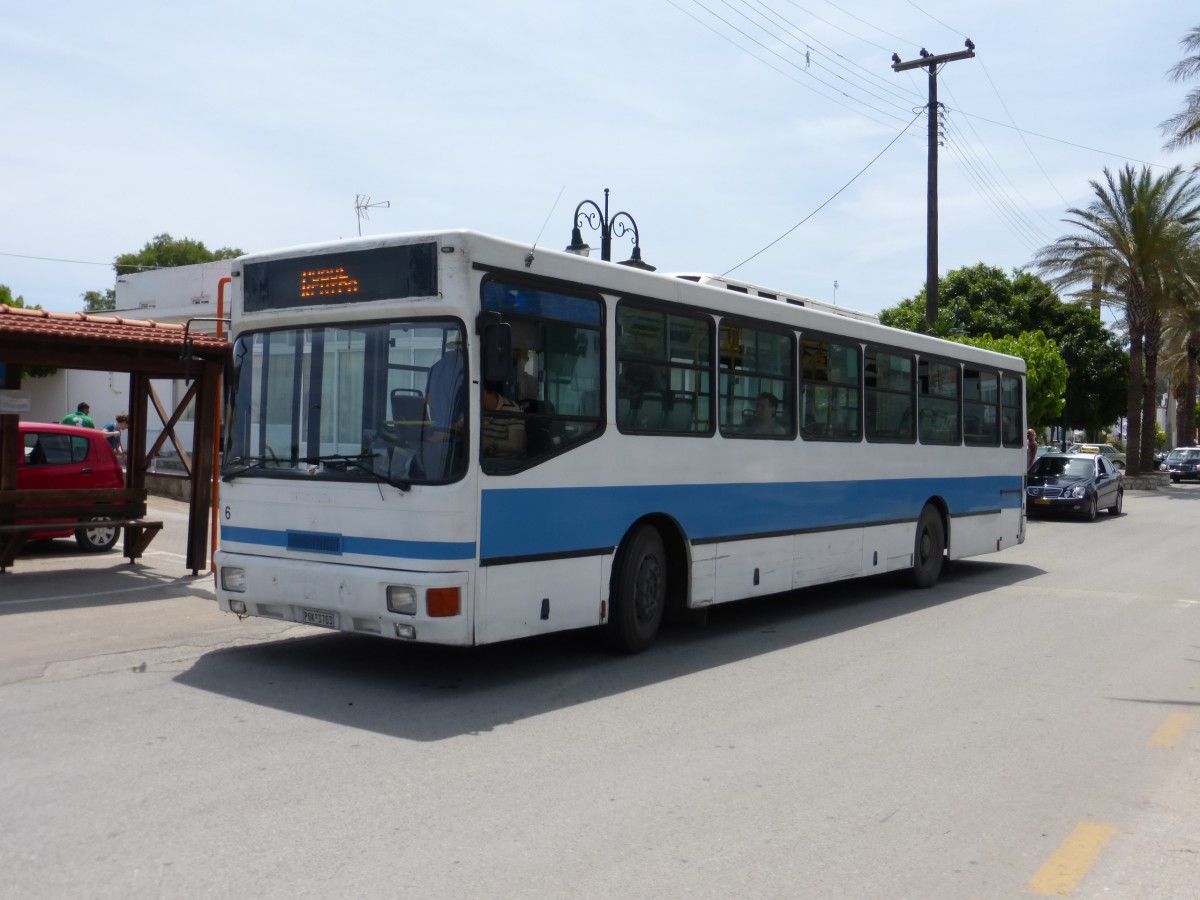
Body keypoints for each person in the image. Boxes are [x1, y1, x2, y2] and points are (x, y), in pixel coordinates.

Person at [481, 381, 526, 458]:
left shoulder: (513, 411)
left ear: (483, 392)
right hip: (481, 459)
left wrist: (490, 443)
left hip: (506, 464)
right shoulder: (476, 408)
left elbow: (516, 446)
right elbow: (461, 427)